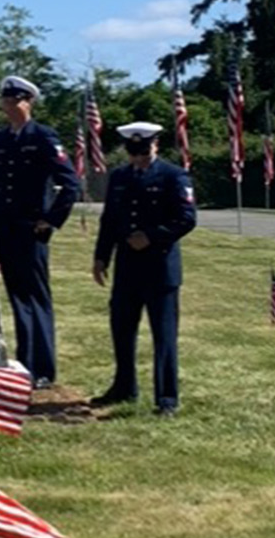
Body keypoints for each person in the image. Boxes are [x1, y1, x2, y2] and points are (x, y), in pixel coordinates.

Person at [0, 75, 80, 389]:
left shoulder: (43, 137)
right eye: (6, 101)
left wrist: (51, 220)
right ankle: (25, 363)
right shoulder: (0, 140)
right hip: (5, 227)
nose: (9, 106)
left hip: (31, 228)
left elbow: (70, 184)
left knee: (35, 298)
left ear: (28, 102)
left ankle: (42, 369)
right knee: (17, 297)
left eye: (15, 101)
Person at [91, 121, 197, 416]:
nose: (138, 156)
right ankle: (124, 386)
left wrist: (151, 236)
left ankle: (166, 398)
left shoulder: (174, 176)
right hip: (127, 266)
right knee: (122, 329)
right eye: (133, 150)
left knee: (163, 335)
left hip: (159, 267)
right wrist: (101, 257)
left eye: (143, 150)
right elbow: (110, 220)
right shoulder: (120, 177)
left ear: (156, 146)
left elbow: (186, 218)